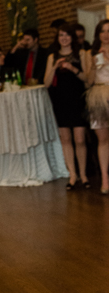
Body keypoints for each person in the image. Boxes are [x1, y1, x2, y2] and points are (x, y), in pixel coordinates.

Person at [44, 24, 89, 190]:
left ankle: (83, 175)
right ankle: (72, 175)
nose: (64, 38)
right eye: (61, 35)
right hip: (60, 101)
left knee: (80, 139)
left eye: (67, 35)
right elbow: (46, 84)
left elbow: (87, 78)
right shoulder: (52, 57)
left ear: (72, 37)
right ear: (57, 38)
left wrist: (72, 68)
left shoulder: (81, 53)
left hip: (77, 100)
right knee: (66, 139)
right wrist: (55, 68)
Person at [85, 19, 109, 193]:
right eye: (103, 31)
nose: (106, 35)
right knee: (102, 139)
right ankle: (105, 180)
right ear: (98, 34)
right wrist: (94, 63)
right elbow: (89, 81)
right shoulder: (91, 53)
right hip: (99, 95)